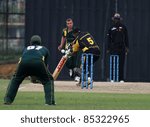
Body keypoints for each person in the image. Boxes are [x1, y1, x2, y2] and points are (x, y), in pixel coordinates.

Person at [4, 35, 55, 105]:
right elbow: (45, 66)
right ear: (40, 42)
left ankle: (7, 100)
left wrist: (31, 75)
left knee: (15, 79)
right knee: (48, 80)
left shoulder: (26, 48)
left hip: (23, 63)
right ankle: (50, 102)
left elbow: (26, 59)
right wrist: (39, 77)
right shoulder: (45, 49)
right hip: (38, 63)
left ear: (31, 42)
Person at [107, 13, 129, 82]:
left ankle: (121, 78)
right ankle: (112, 78)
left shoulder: (123, 27)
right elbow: (108, 39)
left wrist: (127, 47)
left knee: (121, 63)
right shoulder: (111, 28)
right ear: (114, 20)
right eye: (115, 19)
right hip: (114, 47)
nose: (117, 20)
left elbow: (126, 38)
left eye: (118, 19)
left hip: (122, 47)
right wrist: (108, 48)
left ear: (120, 20)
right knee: (113, 63)